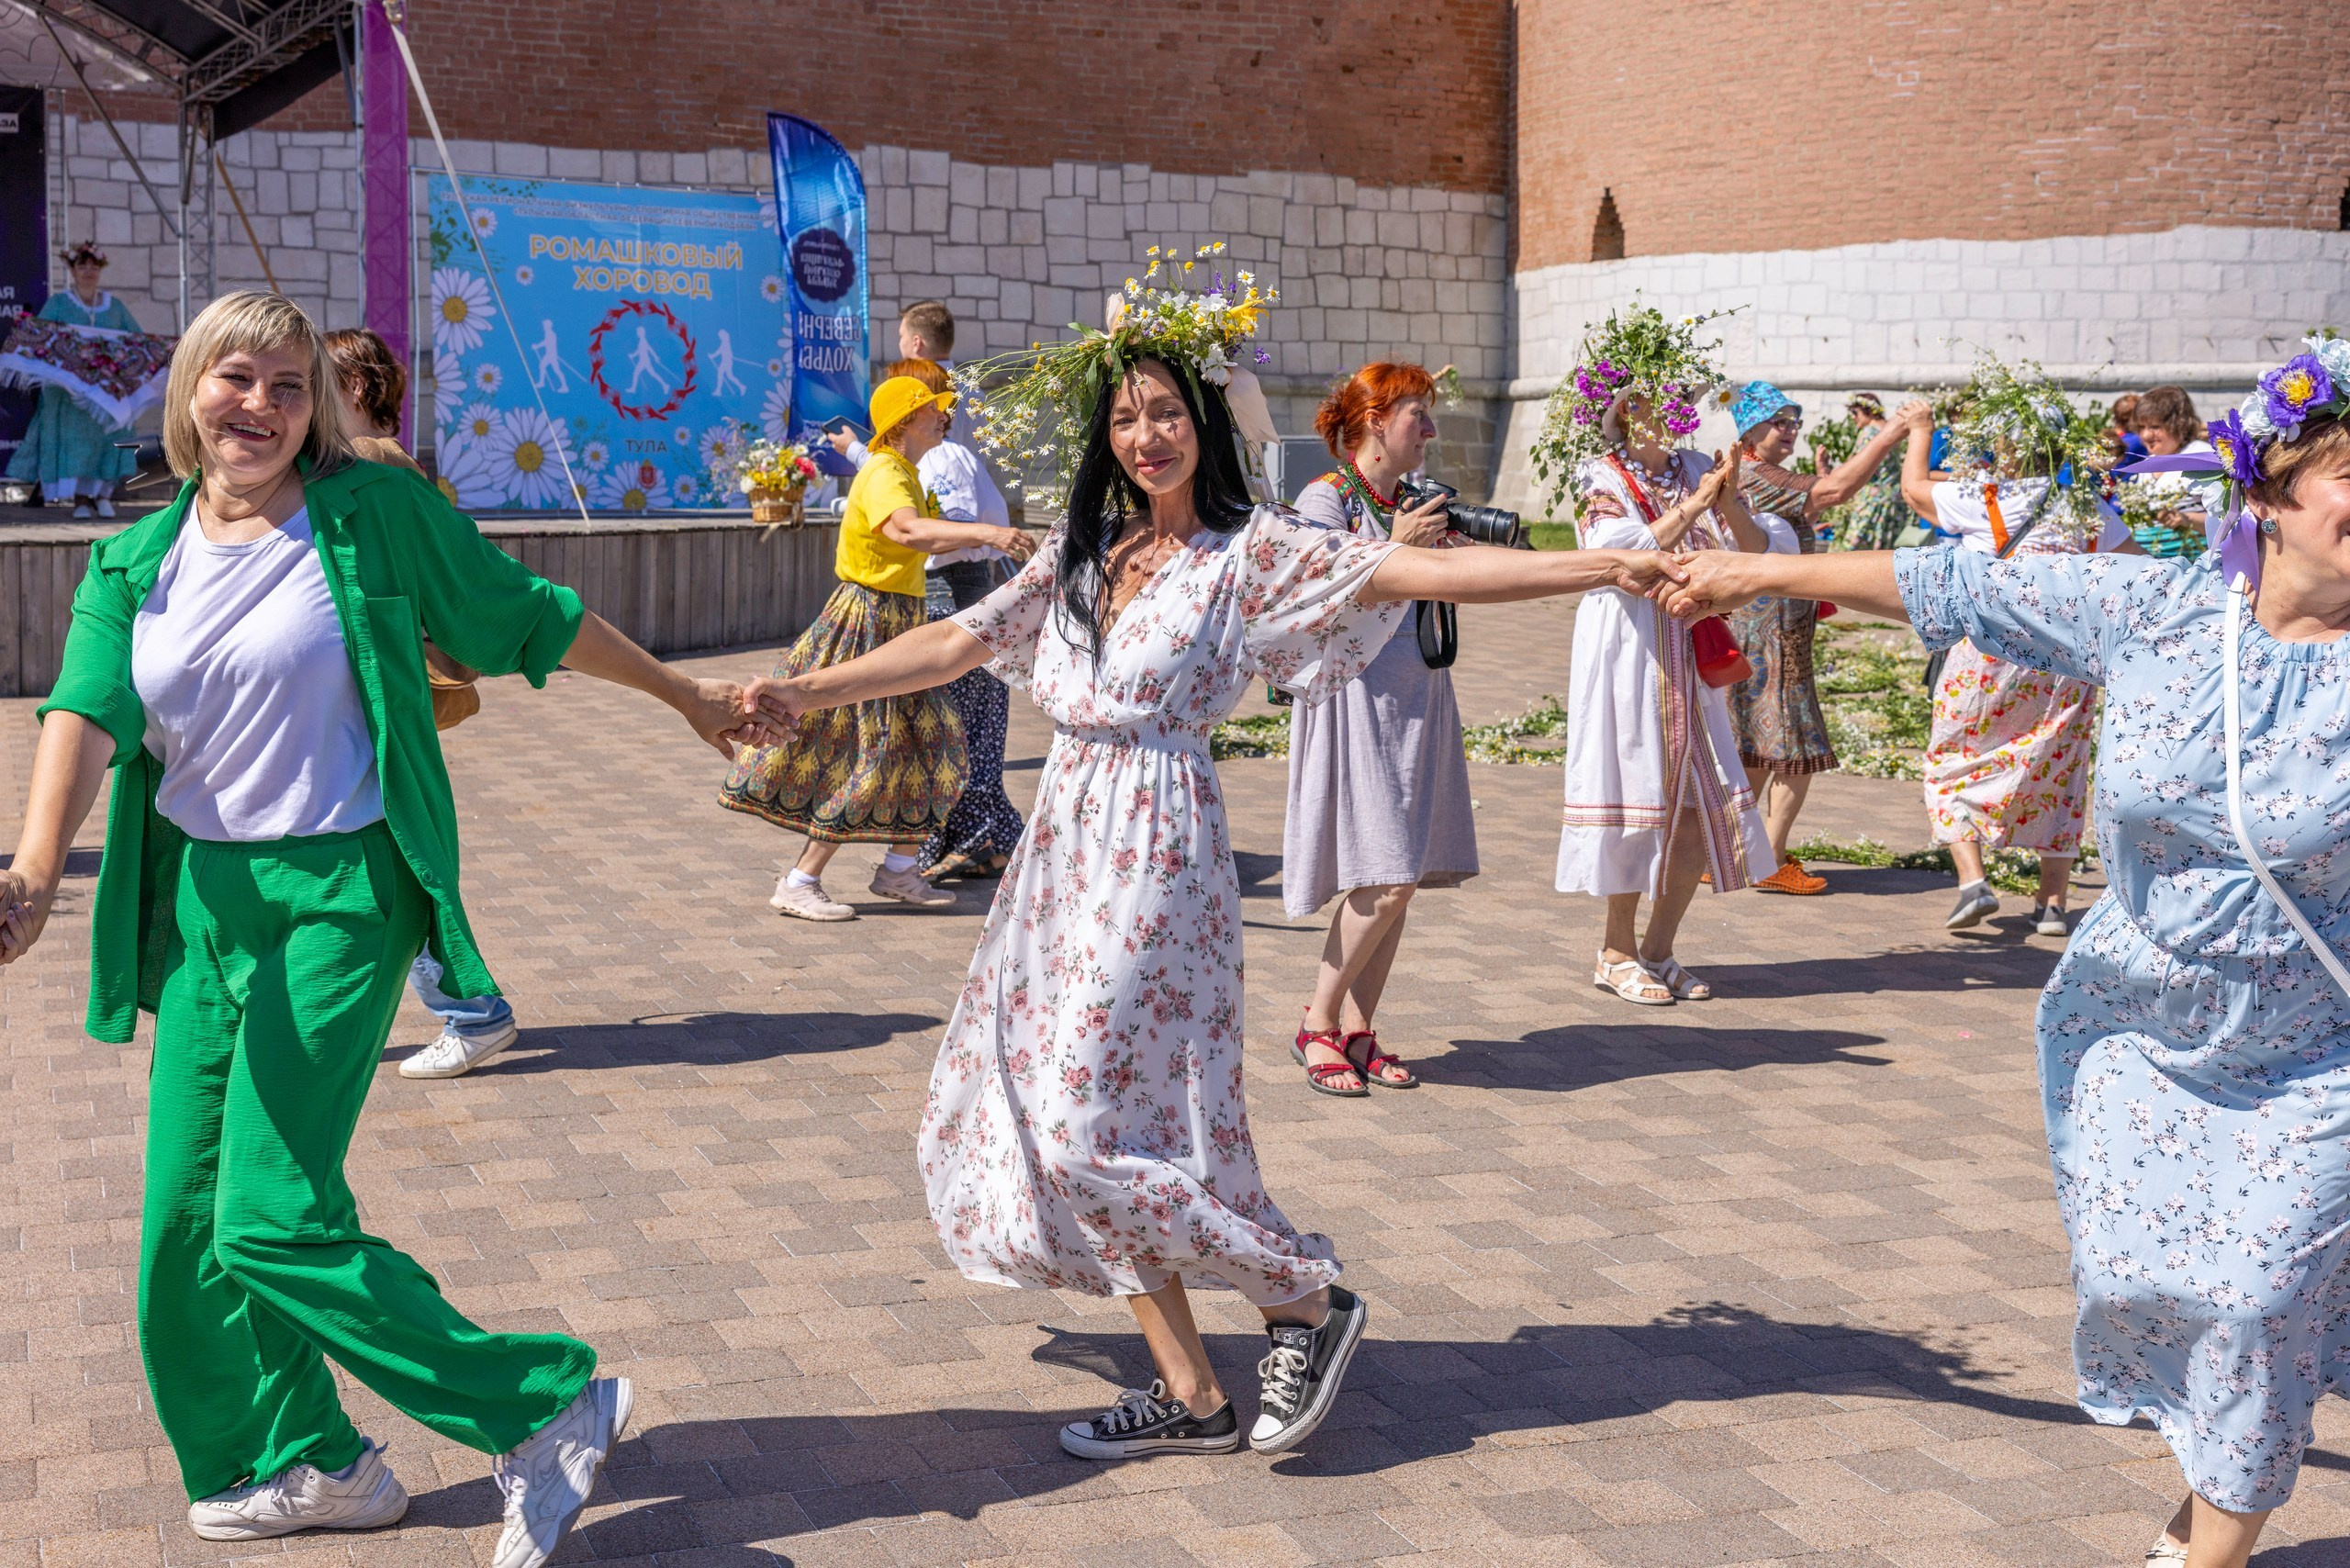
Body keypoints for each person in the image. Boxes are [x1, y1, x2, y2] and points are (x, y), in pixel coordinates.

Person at [744, 287, 1689, 1461]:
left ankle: (1301, 1297)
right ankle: (1192, 1396)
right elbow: (953, 640)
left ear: (1202, 418)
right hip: (1062, 852)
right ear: (1106, 438)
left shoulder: (1252, 553)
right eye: (1127, 417)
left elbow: (1415, 582)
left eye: (1168, 412)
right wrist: (804, 688)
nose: (1148, 434)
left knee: (1086, 1117)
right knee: (1052, 1108)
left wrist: (1599, 567)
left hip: (1157, 848)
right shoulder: (1080, 556)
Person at [0, 290, 782, 1564]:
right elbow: (82, 712)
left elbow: (525, 614)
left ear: (315, 409)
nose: (257, 405)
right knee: (183, 1235)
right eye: (233, 378)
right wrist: (33, 873)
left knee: (266, 1216)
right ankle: (305, 1462)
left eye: (287, 385)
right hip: (210, 907)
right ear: (190, 389)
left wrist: (688, 699)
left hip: (344, 896)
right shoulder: (132, 561)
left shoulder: (370, 515)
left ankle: (542, 1409)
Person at [1657, 337, 2350, 1568]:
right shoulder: (2159, 609)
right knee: (2179, 1301)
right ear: (2267, 498)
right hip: (2143, 1030)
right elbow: (1956, 591)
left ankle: (2213, 1551)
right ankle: (2208, 1500)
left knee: (2256, 1302)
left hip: (2315, 1055)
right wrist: (1740, 575)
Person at [722, 372, 1033, 918]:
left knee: (936, 747)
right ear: (905, 422)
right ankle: (799, 881)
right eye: (932, 409)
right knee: (865, 751)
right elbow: (908, 534)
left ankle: (898, 872)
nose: (944, 415)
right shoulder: (888, 471)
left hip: (898, 618)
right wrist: (989, 533)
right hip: (868, 621)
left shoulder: (902, 470)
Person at [1544, 308, 1779, 1008]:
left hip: (1690, 645)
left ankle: (1660, 947)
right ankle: (1614, 950)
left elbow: (1755, 550)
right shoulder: (1598, 472)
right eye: (1661, 399)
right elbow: (1614, 549)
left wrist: (1727, 501)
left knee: (1694, 805)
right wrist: (1695, 507)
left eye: (1682, 398)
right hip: (1629, 650)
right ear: (1628, 408)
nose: (1678, 410)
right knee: (1636, 794)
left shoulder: (1700, 467)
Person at [323, 326, 521, 1080]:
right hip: (375, 696)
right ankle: (460, 1011)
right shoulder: (393, 466)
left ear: (360, 390)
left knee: (401, 865)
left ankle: (473, 1012)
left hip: (375, 699)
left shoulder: (368, 463)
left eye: (316, 384)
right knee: (390, 865)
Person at [1892, 369, 2133, 936]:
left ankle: (1974, 882)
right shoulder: (2082, 508)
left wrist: (1921, 428)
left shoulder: (1984, 498)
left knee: (1953, 753)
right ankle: (2052, 904)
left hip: (1990, 649)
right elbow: (2136, 565)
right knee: (2058, 764)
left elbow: (1913, 491)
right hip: (2065, 659)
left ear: (2002, 445)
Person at [1280, 362, 1467, 1095]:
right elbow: (1320, 599)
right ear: (1373, 422)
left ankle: (1359, 1028)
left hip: (1418, 697)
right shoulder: (1323, 501)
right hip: (1354, 699)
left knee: (1404, 878)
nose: (1428, 429)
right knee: (1383, 875)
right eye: (1416, 414)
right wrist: (1400, 544)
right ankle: (1316, 1023)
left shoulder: (1411, 500)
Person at [1723, 380, 1912, 891]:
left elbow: (1806, 509)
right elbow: (1834, 493)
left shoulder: (1750, 472)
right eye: (1779, 421)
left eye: (1793, 421)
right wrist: (1890, 434)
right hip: (1775, 631)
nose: (1790, 430)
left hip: (1762, 625)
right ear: (1751, 427)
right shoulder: (1756, 472)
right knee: (1794, 746)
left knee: (1759, 743)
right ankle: (1767, 860)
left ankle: (1735, 850)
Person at [893, 342, 1030, 885]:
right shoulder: (929, 459)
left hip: (956, 591)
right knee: (966, 727)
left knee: (955, 728)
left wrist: (895, 535)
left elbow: (949, 525)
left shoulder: (944, 458)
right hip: (958, 589)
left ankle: (976, 839)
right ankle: (983, 841)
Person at [6, 241, 140, 519]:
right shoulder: (58, 304)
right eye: (82, 265)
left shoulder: (114, 307)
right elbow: (42, 340)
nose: (88, 271)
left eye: (94, 266)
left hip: (105, 392)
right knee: (76, 442)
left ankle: (103, 494)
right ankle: (80, 499)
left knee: (109, 438)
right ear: (72, 270)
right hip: (69, 395)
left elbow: (135, 341)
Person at [2124, 385, 2214, 559]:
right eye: (2142, 427)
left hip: (2192, 563)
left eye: (2155, 427)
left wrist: (2186, 519)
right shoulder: (2148, 463)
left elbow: (2229, 520)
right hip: (2151, 567)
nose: (2146, 435)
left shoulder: (2200, 456)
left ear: (2179, 425)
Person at [1825, 394, 1921, 551]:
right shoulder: (1889, 429)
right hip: (1895, 500)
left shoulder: (1869, 432)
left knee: (1852, 551)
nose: (1853, 418)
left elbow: (1857, 467)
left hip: (1873, 501)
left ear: (1869, 411)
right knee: (1882, 550)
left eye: (1855, 413)